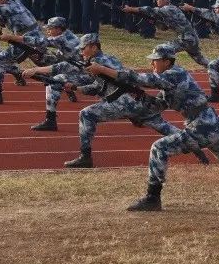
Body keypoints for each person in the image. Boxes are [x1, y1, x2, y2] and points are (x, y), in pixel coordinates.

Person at [88, 43, 219, 211]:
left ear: (167, 61)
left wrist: (104, 70)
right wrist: (136, 95)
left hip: (202, 125)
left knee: (159, 148)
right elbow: (157, 105)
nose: (151, 63)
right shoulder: (168, 79)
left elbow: (140, 79)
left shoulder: (173, 74)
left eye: (155, 60)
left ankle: (152, 198)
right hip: (209, 122)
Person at [60, 35, 208, 170]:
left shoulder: (101, 61)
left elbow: (130, 78)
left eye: (83, 48)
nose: (81, 51)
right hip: (141, 102)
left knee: (86, 114)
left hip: (127, 101)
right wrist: (76, 88)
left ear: (93, 47)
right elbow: (98, 87)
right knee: (164, 127)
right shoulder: (101, 61)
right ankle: (198, 150)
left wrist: (101, 70)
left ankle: (85, 157)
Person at [22, 16, 85, 131]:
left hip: (81, 73)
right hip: (73, 67)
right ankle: (66, 90)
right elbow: (59, 58)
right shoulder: (67, 34)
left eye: (50, 28)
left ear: (59, 29)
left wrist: (12, 37)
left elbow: (59, 65)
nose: (47, 31)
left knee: (53, 83)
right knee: (43, 61)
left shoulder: (62, 39)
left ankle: (50, 121)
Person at [125, 0, 212, 70]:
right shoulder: (169, 10)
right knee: (200, 59)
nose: (157, 0)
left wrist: (131, 9)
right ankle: (218, 71)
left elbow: (149, 10)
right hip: (190, 38)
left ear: (166, 0)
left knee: (161, 49)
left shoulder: (168, 9)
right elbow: (164, 28)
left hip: (186, 39)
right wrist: (154, 22)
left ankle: (172, 71)